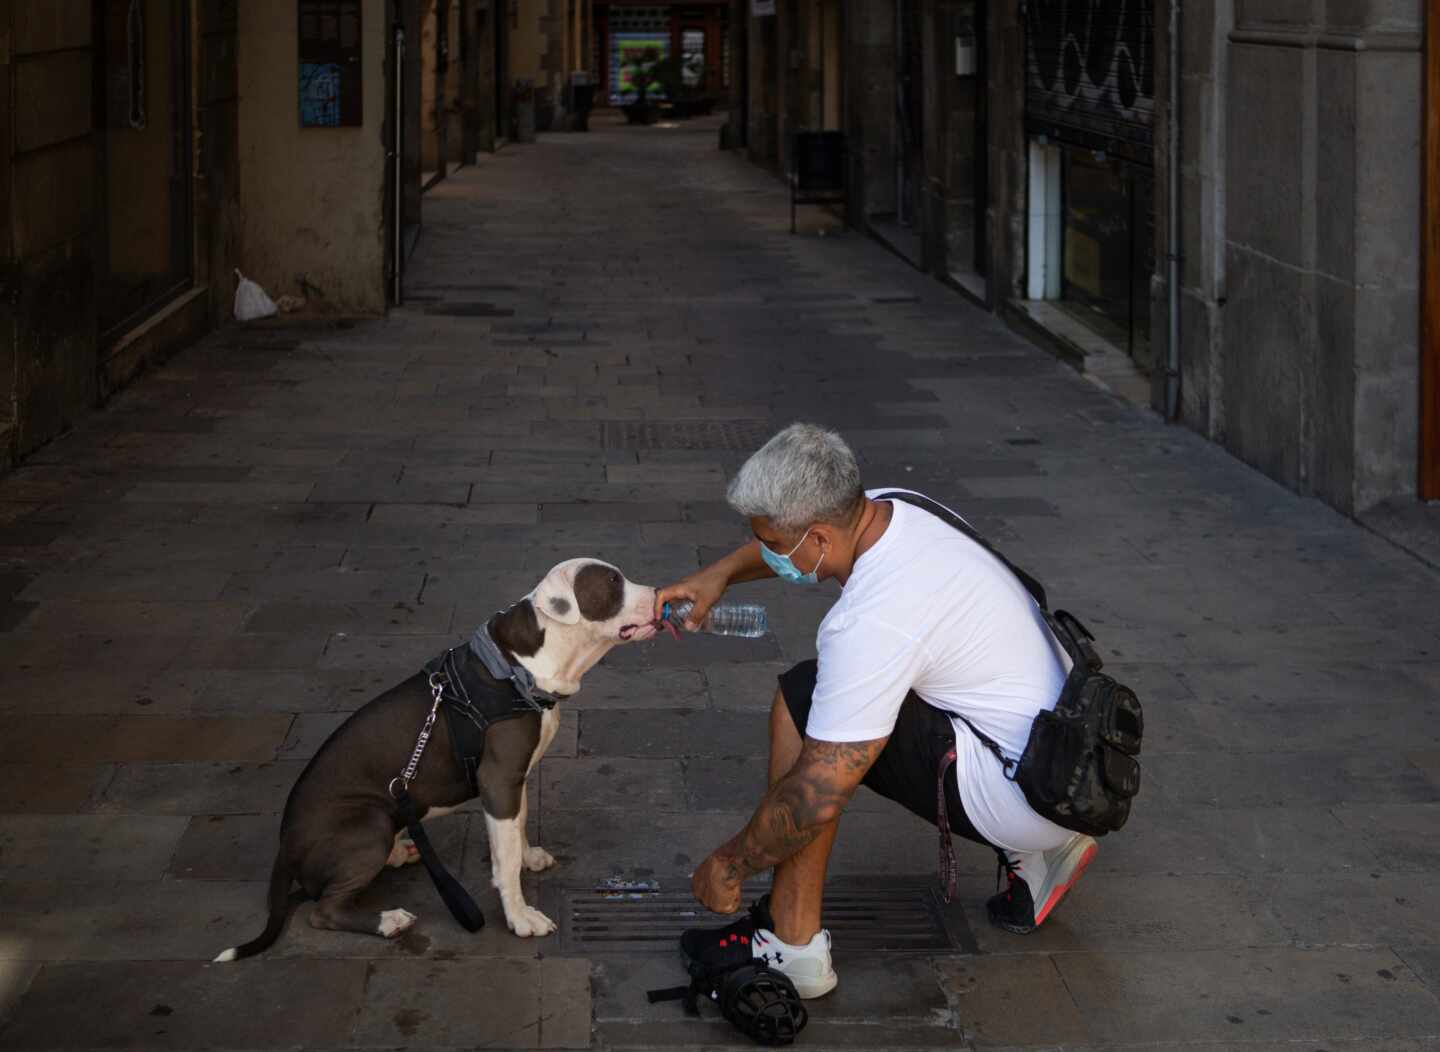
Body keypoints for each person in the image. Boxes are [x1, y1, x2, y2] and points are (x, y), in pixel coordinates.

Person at [653, 423, 1097, 999]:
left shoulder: (870, 620)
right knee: (873, 690)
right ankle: (1037, 854)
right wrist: (720, 574)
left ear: (815, 540)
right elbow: (794, 542)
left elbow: (815, 797)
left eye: (771, 544)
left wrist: (729, 865)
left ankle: (794, 947)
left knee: (808, 701)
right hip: (1070, 753)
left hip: (1023, 788)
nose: (767, 554)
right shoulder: (891, 508)